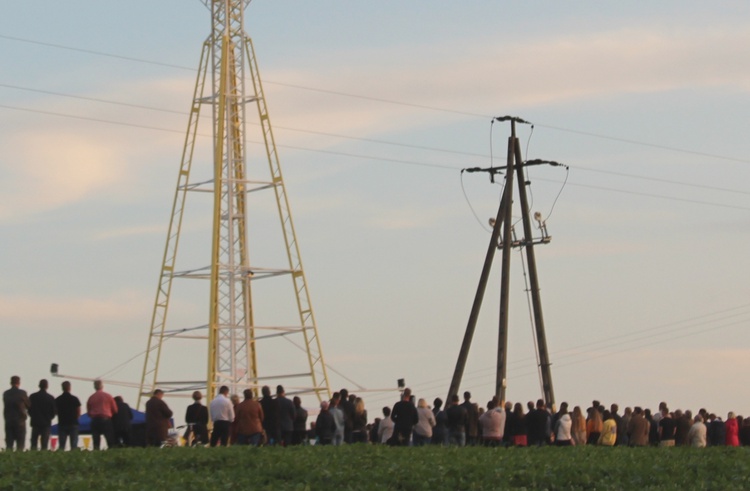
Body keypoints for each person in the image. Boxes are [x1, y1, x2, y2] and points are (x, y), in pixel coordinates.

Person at [86, 379, 118, 450]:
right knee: (110, 440)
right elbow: (115, 410)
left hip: (95, 420)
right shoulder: (108, 396)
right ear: (102, 386)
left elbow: (88, 412)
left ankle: (96, 454)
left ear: (94, 387)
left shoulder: (91, 398)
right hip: (106, 419)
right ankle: (111, 453)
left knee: (96, 441)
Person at [4, 375, 31, 451]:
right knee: (20, 445)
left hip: (9, 421)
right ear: (19, 383)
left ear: (10, 383)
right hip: (20, 422)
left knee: (9, 445)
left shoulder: (6, 393)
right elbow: (28, 405)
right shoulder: (22, 393)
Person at [29, 379, 56, 450]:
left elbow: (29, 409)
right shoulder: (50, 398)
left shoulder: (33, 397)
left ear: (39, 386)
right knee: (44, 444)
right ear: (47, 386)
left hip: (35, 422)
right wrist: (49, 417)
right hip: (46, 423)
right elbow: (54, 412)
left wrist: (33, 416)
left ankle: (32, 457)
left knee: (33, 443)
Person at [55, 381, 81, 451]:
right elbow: (78, 411)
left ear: (62, 388)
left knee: (62, 445)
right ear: (70, 388)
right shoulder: (75, 399)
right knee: (74, 445)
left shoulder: (58, 399)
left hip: (62, 423)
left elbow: (56, 412)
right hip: (73, 423)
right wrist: (76, 418)